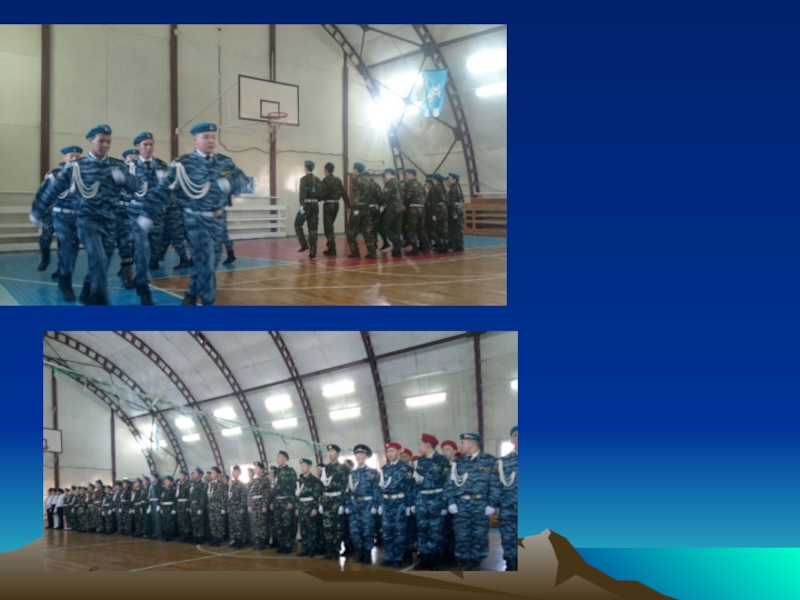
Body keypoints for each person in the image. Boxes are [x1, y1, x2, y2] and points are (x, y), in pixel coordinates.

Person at [156, 122, 249, 305]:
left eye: (213, 137)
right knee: (206, 262)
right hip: (196, 220)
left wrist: (229, 184)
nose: (211, 140)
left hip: (218, 220)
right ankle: (209, 304)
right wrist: (145, 212)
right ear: (195, 140)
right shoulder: (183, 164)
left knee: (211, 263)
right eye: (206, 137)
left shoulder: (225, 162)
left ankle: (191, 294)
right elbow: (162, 189)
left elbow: (243, 181)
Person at [30, 146, 84, 299]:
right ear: (64, 157)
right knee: (46, 238)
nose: (75, 159)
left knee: (68, 246)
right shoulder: (54, 175)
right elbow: (42, 193)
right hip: (53, 212)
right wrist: (37, 211)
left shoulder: (83, 176)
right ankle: (46, 258)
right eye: (71, 156)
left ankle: (63, 275)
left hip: (73, 216)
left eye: (77, 156)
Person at [127, 132, 173, 304]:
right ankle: (143, 286)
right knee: (141, 247)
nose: (148, 147)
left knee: (154, 250)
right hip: (137, 213)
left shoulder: (161, 165)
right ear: (138, 146)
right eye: (145, 144)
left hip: (156, 213)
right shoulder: (130, 167)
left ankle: (140, 275)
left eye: (151, 144)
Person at [444, 432, 496, 571]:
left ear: (472, 443)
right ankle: (463, 560)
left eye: (462, 443)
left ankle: (476, 561)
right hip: (461, 504)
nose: (460, 446)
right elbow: (449, 484)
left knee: (479, 534)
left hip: (481, 504)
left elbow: (495, 484)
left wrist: (492, 504)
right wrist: (451, 502)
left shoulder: (489, 461)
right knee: (462, 534)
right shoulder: (457, 463)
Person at [411, 433, 451, 571]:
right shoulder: (419, 462)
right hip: (421, 499)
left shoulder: (442, 460)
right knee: (422, 529)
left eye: (421, 444)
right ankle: (424, 558)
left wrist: (445, 504)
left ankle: (434, 560)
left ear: (428, 444)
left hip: (436, 499)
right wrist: (414, 502)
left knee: (435, 530)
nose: (419, 447)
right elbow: (415, 484)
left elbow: (447, 484)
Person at [377, 442, 413, 568]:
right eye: (388, 452)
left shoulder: (406, 468)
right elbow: (380, 488)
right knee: (387, 532)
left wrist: (409, 505)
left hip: (399, 503)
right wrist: (380, 504)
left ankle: (398, 558)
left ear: (398, 452)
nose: (389, 454)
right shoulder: (384, 469)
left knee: (399, 532)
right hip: (386, 504)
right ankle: (389, 557)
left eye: (392, 451)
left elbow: (409, 488)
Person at [490, 426, 518, 571]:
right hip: (508, 508)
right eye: (515, 435)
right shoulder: (502, 462)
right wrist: (494, 505)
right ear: (511, 439)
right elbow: (495, 485)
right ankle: (511, 564)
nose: (519, 438)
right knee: (508, 538)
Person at [347, 444, 379, 564]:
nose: (358, 456)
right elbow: (348, 491)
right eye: (357, 454)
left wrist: (375, 505)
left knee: (368, 530)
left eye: (361, 454)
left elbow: (377, 490)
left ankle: (367, 554)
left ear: (366, 456)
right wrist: (347, 505)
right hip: (354, 505)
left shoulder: (373, 472)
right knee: (355, 530)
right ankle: (358, 553)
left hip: (367, 505)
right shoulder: (352, 474)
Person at [319, 443, 350, 559]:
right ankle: (329, 550)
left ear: (338, 454)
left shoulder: (343, 468)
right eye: (329, 452)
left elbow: (346, 487)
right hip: (326, 501)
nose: (330, 454)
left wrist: (342, 503)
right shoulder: (325, 469)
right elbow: (321, 487)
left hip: (337, 500)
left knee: (338, 527)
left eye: (332, 452)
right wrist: (320, 503)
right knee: (327, 527)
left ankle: (336, 550)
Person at [345, 163, 378, 259]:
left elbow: (356, 196)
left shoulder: (356, 180)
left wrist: (353, 208)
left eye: (353, 169)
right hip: (367, 208)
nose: (352, 171)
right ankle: (372, 252)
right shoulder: (370, 180)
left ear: (356, 170)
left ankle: (355, 252)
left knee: (351, 230)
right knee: (367, 231)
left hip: (358, 208)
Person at [270, 451, 298, 553]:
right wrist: (272, 501)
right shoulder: (275, 473)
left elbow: (294, 488)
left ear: (286, 459)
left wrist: (292, 501)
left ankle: (288, 545)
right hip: (277, 502)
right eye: (277, 458)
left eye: (280, 457)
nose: (278, 459)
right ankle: (282, 545)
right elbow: (273, 488)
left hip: (286, 501)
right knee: (279, 525)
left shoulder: (291, 471)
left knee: (287, 525)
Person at [295, 458, 323, 557]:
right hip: (301, 507)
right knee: (303, 529)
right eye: (301, 466)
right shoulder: (299, 480)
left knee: (312, 529)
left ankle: (312, 549)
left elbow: (317, 495)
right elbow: (297, 496)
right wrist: (297, 508)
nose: (302, 468)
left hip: (310, 506)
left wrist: (315, 508)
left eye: (304, 466)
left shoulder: (314, 480)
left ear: (309, 467)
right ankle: (304, 548)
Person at [319, 162, 348, 255]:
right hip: (336, 205)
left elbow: (322, 193)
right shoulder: (338, 180)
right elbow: (343, 192)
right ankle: (330, 246)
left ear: (326, 170)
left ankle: (332, 248)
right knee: (330, 225)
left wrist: (317, 198)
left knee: (328, 227)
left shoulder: (325, 180)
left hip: (328, 205)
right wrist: (347, 204)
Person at [295, 160, 322, 259]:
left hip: (306, 205)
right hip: (315, 205)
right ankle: (313, 252)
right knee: (313, 229)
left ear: (306, 168)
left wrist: (302, 205)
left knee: (297, 224)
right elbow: (320, 194)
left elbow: (302, 193)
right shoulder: (318, 180)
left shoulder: (304, 179)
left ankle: (304, 244)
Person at [402, 168, 430, 255]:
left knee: (411, 229)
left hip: (413, 209)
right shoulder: (420, 184)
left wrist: (404, 205)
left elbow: (407, 197)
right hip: (422, 209)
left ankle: (414, 249)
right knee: (421, 228)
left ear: (411, 174)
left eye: (406, 174)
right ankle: (426, 246)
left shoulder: (409, 184)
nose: (405, 176)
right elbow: (425, 197)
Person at [439, 440, 458, 566]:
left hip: (456, 503)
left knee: (456, 531)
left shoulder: (459, 465)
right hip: (443, 503)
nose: (445, 452)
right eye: (443, 450)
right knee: (444, 530)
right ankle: (446, 555)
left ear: (455, 451)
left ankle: (455, 556)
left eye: (448, 449)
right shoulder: (442, 466)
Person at [379, 169, 404, 257]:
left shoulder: (389, 183)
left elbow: (385, 197)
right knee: (396, 228)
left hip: (392, 207)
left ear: (388, 174)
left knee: (384, 226)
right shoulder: (399, 183)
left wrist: (378, 204)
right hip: (399, 207)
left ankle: (397, 242)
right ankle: (397, 250)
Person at [249, 461, 271, 550]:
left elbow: (266, 493)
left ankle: (263, 541)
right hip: (254, 504)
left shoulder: (265, 479)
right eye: (254, 468)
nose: (255, 470)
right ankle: (258, 540)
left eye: (257, 468)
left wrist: (264, 505)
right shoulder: (254, 480)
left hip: (260, 503)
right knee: (256, 523)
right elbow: (251, 494)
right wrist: (250, 505)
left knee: (262, 523)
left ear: (262, 470)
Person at [207, 466, 227, 546]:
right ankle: (215, 538)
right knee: (213, 523)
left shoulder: (221, 484)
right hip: (211, 507)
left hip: (218, 507)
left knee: (219, 523)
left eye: (213, 473)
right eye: (211, 473)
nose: (211, 474)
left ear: (218, 474)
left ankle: (220, 539)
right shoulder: (210, 484)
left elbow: (224, 497)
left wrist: (223, 508)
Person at [228, 466, 248, 548]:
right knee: (233, 524)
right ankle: (235, 540)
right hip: (231, 507)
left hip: (238, 507)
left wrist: (242, 507)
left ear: (239, 473)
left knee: (239, 524)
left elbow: (243, 497)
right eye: (233, 472)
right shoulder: (231, 484)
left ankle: (240, 541)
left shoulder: (241, 484)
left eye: (236, 472)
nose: (234, 473)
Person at [430, 174, 449, 254]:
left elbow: (434, 202)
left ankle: (438, 245)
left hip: (438, 209)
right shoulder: (444, 189)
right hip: (444, 208)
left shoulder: (434, 189)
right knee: (444, 228)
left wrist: (434, 213)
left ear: (436, 180)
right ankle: (445, 245)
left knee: (433, 228)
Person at [189, 467, 208, 544]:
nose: (193, 474)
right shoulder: (193, 484)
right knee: (194, 521)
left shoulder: (202, 485)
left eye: (195, 473)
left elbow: (203, 497)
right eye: (193, 473)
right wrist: (190, 506)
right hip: (193, 505)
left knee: (200, 522)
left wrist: (201, 508)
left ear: (200, 475)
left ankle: (200, 537)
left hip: (198, 505)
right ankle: (195, 535)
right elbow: (191, 496)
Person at [176, 469, 193, 543]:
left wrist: (188, 506)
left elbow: (190, 496)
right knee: (180, 520)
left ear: (186, 476)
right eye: (179, 475)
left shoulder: (188, 484)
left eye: (181, 475)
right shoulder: (179, 484)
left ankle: (186, 535)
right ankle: (182, 534)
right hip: (179, 504)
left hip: (185, 504)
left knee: (185, 520)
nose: (180, 476)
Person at [160, 476, 177, 541]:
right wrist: (161, 507)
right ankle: (165, 535)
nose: (165, 482)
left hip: (170, 507)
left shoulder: (174, 489)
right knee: (164, 521)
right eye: (165, 481)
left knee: (170, 522)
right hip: (164, 507)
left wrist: (174, 508)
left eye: (167, 481)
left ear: (171, 482)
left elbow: (175, 499)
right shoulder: (163, 490)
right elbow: (161, 499)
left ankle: (169, 536)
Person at [148, 472, 163, 540]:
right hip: (152, 504)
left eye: (153, 477)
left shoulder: (159, 486)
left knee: (158, 520)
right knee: (153, 519)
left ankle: (159, 534)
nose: (151, 479)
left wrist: (159, 505)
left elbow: (160, 496)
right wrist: (149, 505)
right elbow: (150, 497)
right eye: (151, 477)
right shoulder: (152, 486)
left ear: (157, 479)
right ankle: (155, 533)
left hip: (156, 504)